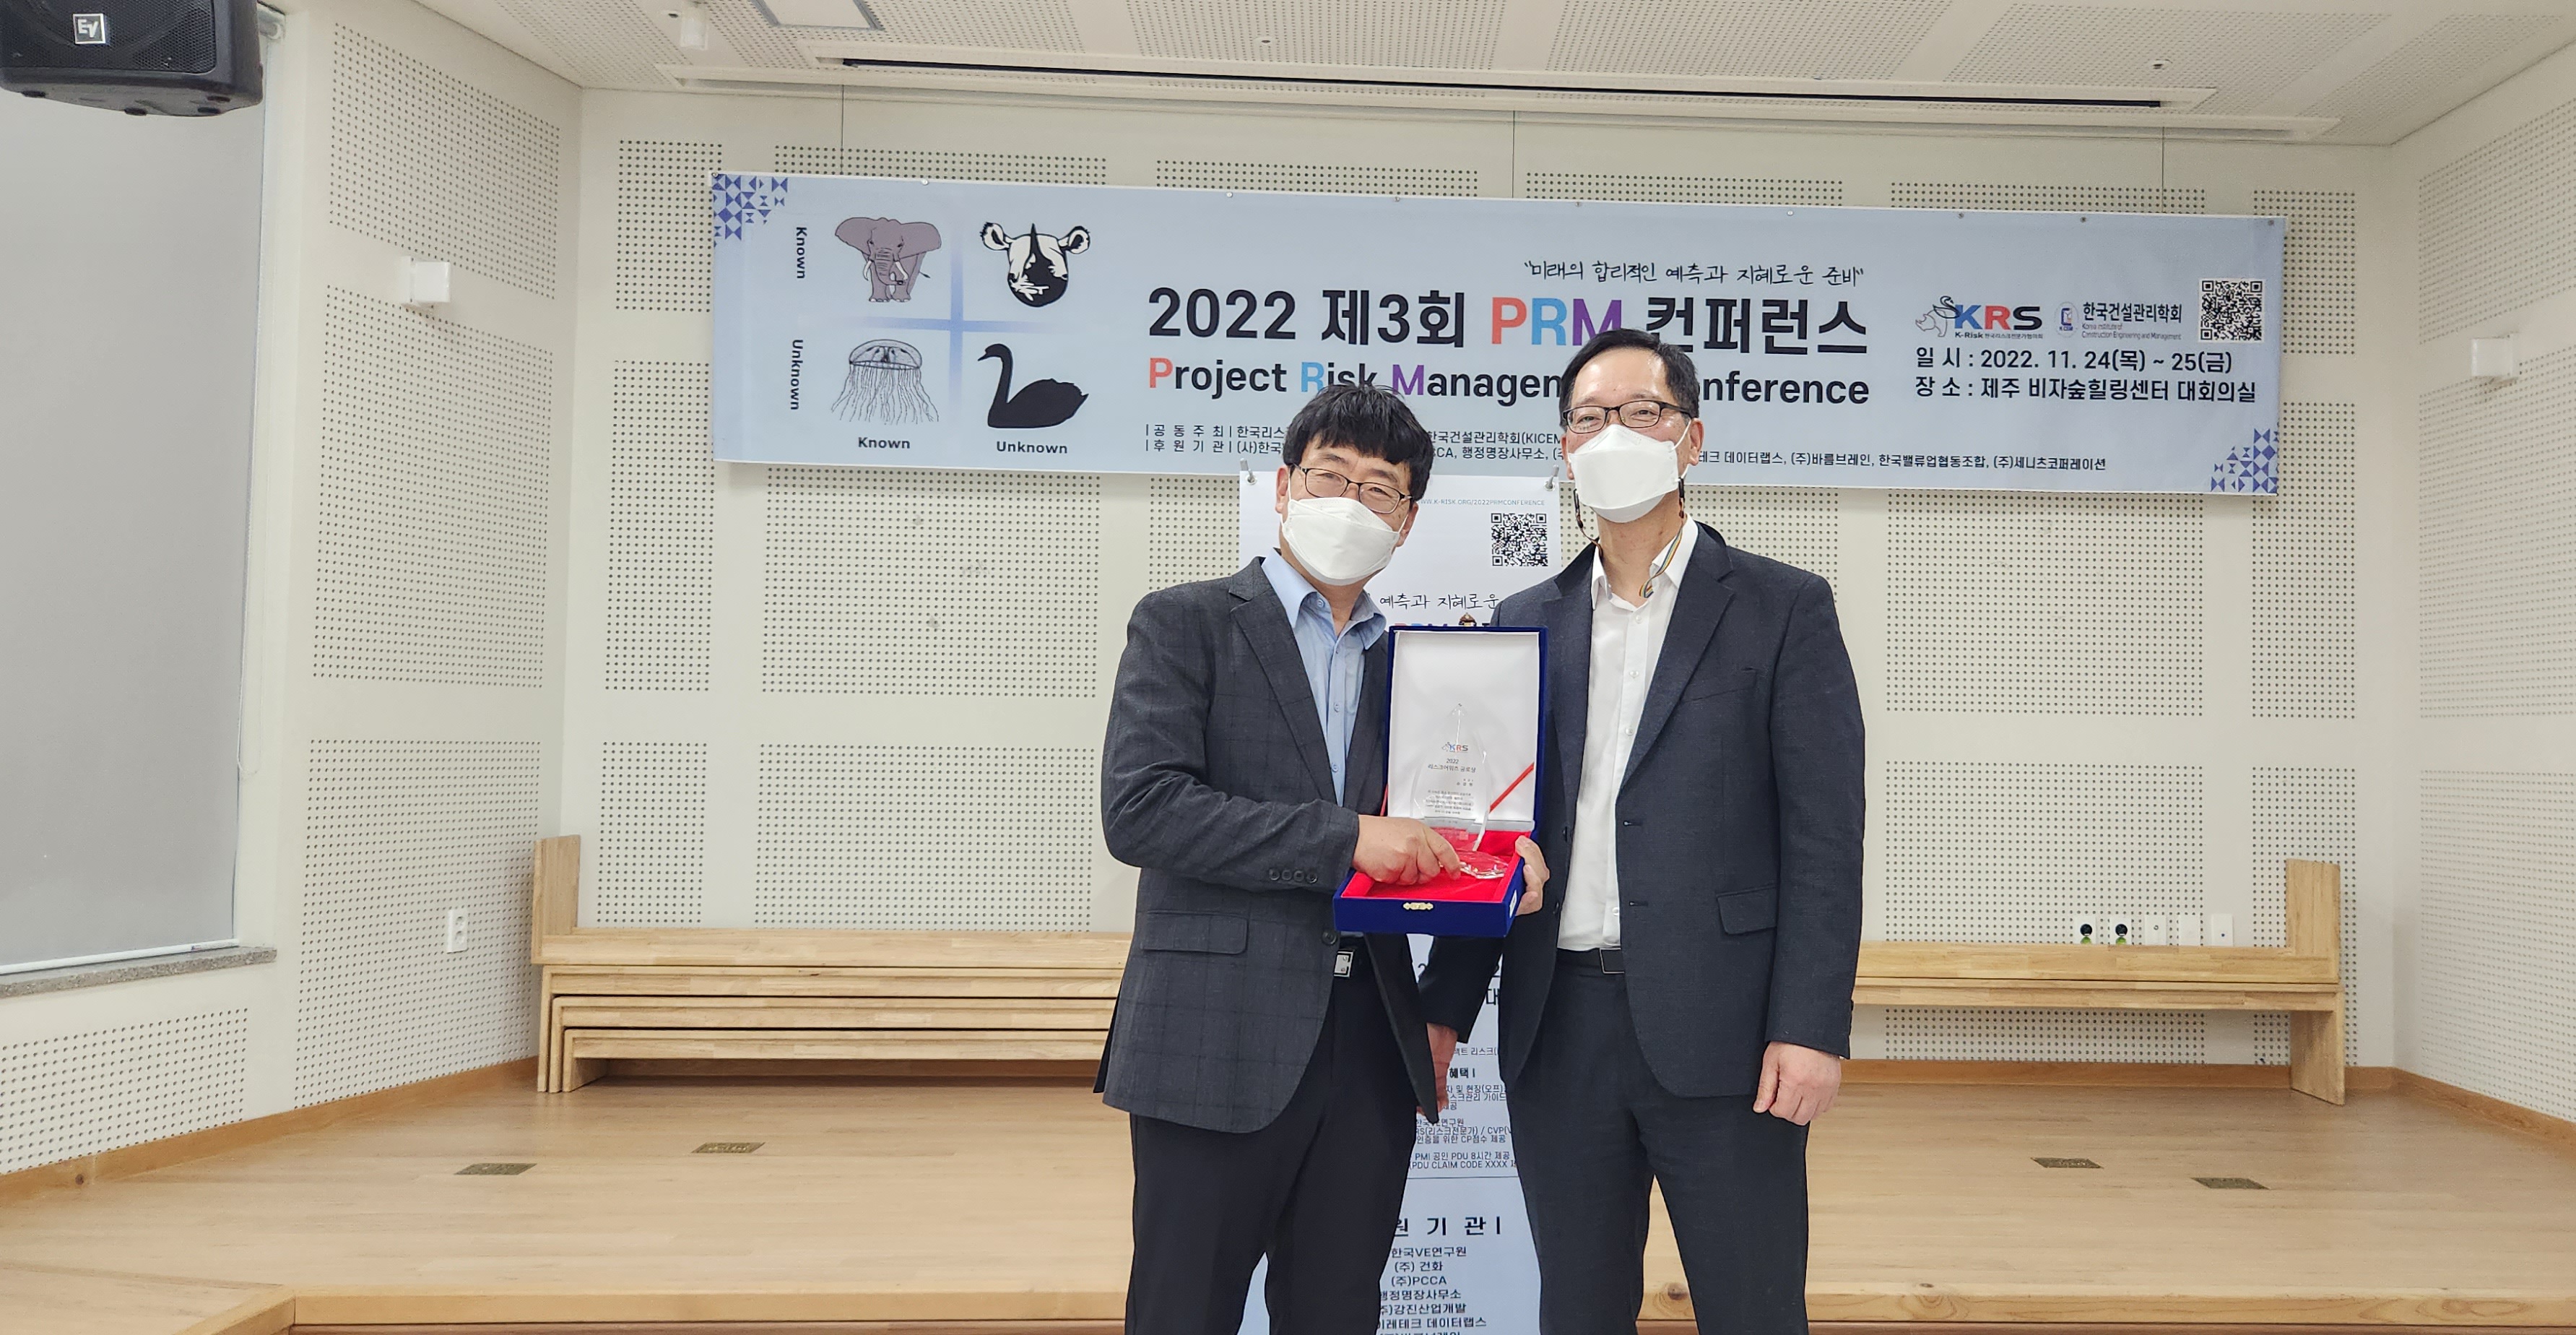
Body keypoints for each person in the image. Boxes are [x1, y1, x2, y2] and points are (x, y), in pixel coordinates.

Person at [1419, 329, 1865, 1335]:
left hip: (1729, 1032)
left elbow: (1825, 838)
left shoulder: (1783, 609)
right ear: (1565, 449)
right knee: (1578, 1309)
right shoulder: (1523, 619)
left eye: (1641, 413)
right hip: (1558, 1024)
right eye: (1589, 418)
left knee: (1753, 1309)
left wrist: (1809, 1026)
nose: (1612, 434)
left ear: (1691, 440)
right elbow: (1489, 834)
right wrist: (1444, 1006)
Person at [1098, 382, 1550, 1335]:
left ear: (1407, 520)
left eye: (1379, 488)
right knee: (1183, 1310)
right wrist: (1344, 838)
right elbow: (1143, 812)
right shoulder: (1187, 624)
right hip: (1213, 1036)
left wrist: (1502, 863)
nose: (1351, 501)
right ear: (1282, 486)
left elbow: (1448, 828)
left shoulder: (1419, 667)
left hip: (1370, 1042)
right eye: (1329, 476)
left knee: (1338, 1310)